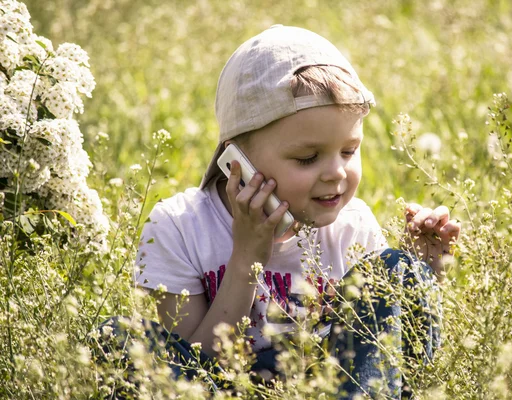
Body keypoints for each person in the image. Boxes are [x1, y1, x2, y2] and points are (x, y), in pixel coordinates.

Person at [119, 25, 460, 398]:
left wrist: (421, 274)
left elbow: (383, 354)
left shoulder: (353, 227)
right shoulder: (180, 226)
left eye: (349, 151)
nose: (337, 173)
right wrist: (247, 257)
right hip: (228, 390)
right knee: (115, 339)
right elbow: (190, 371)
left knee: (397, 270)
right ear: (237, 161)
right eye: (308, 158)